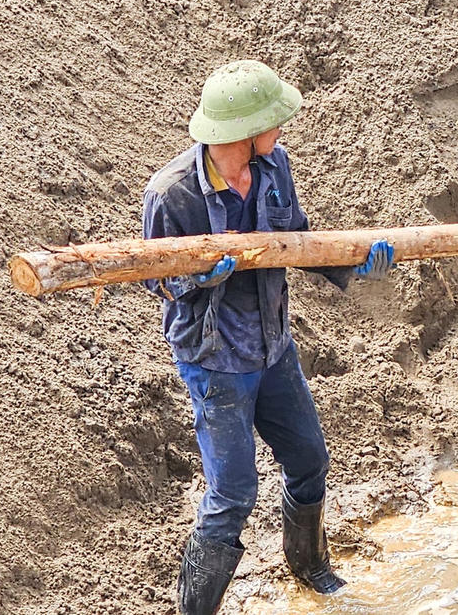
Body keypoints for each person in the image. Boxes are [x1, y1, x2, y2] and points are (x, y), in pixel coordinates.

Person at [142, 60, 395, 614]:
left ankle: (309, 566)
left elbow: (297, 241)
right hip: (216, 360)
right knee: (232, 495)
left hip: (273, 345)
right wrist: (198, 274)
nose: (283, 130)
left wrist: (356, 266)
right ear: (244, 133)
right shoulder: (173, 195)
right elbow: (157, 279)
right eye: (274, 121)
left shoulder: (274, 166)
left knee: (309, 459)